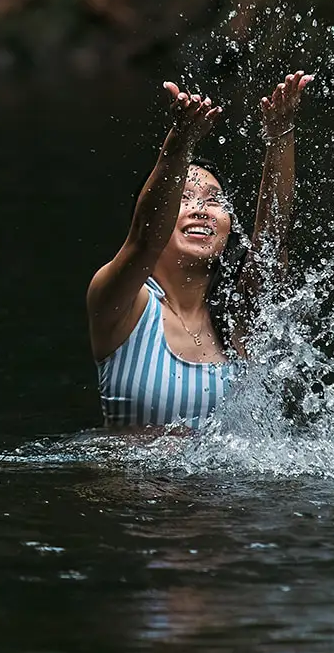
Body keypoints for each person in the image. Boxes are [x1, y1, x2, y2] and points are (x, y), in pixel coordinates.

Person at [87, 72, 313, 429]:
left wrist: (281, 134)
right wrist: (180, 143)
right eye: (183, 198)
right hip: (138, 486)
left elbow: (273, 239)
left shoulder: (241, 312)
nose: (201, 209)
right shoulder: (121, 303)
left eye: (214, 201)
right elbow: (145, 240)